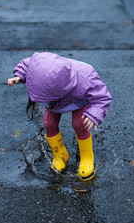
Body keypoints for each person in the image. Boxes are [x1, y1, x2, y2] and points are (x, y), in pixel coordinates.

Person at [8, 52, 112, 180]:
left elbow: (101, 97)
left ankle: (86, 156)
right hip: (53, 101)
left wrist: (94, 114)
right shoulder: (41, 63)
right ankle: (60, 154)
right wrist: (20, 74)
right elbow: (29, 63)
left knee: (80, 124)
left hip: (77, 100)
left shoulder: (85, 77)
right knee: (49, 124)